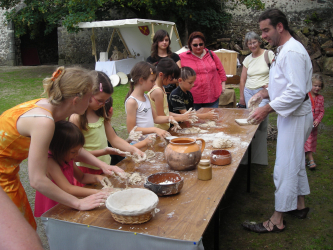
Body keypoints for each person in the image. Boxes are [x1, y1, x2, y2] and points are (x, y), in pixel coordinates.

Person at [0, 66, 111, 229]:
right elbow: (37, 180)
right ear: (76, 99)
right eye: (89, 98)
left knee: (25, 228)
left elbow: (72, 149)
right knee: (16, 233)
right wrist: (78, 203)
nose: (90, 103)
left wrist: (102, 165)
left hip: (9, 172)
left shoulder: (54, 111)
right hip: (3, 177)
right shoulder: (44, 122)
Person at [242, 9, 313, 233]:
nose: (263, 35)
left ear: (279, 27)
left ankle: (277, 220)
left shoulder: (292, 51)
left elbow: (296, 91)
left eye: (266, 30)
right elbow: (283, 83)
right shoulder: (283, 50)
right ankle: (299, 206)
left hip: (296, 116)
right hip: (292, 115)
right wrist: (263, 93)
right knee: (295, 161)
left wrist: (266, 109)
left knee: (284, 166)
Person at [70, 71, 145, 186]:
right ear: (88, 93)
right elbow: (76, 154)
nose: (103, 104)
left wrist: (134, 150)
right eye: (100, 100)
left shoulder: (100, 113)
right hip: (87, 172)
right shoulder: (77, 118)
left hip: (105, 167)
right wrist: (103, 152)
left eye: (105, 101)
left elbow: (114, 139)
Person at [34, 121, 105, 217]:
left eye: (78, 151)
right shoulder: (50, 162)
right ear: (59, 149)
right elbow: (68, 189)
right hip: (55, 204)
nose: (76, 155)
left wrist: (97, 178)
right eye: (73, 152)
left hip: (68, 201)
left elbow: (82, 177)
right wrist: (101, 193)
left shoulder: (67, 158)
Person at [239, 31, 275, 165]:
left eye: (254, 42)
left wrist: (271, 84)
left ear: (259, 41)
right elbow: (242, 79)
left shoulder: (268, 54)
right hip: (249, 92)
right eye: (249, 43)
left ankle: (259, 159)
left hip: (263, 93)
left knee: (260, 123)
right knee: (249, 123)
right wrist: (242, 97)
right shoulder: (247, 59)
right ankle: (246, 157)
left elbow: (277, 72)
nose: (252, 45)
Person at [124, 61, 179, 138]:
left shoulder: (146, 97)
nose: (154, 84)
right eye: (152, 80)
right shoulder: (132, 102)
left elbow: (156, 118)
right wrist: (154, 129)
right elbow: (131, 129)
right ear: (141, 80)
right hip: (140, 144)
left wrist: (169, 118)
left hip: (150, 141)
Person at [179, 31, 227, 110]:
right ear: (190, 45)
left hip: (212, 95)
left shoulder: (211, 54)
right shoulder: (182, 57)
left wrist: (223, 85)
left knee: (211, 120)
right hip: (193, 97)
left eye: (201, 44)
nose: (198, 47)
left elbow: (221, 70)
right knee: (195, 121)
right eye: (195, 45)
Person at [147, 58, 191, 130]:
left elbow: (166, 113)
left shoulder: (161, 88)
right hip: (158, 131)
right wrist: (181, 118)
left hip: (162, 129)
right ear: (161, 75)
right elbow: (161, 118)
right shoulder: (158, 91)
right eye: (171, 78)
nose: (172, 81)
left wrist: (184, 115)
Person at [146, 29, 181, 98]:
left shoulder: (175, 57)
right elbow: (150, 78)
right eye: (161, 40)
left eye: (166, 40)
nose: (164, 42)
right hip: (156, 93)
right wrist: (170, 79)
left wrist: (162, 80)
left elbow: (179, 77)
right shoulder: (150, 59)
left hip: (174, 94)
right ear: (156, 42)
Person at [304, 74, 325, 170]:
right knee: (306, 140)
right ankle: (310, 158)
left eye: (319, 86)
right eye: (315, 85)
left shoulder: (321, 98)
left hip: (314, 125)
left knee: (311, 141)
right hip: (305, 123)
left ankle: (303, 158)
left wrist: (318, 120)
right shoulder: (306, 96)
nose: (317, 88)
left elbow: (322, 111)